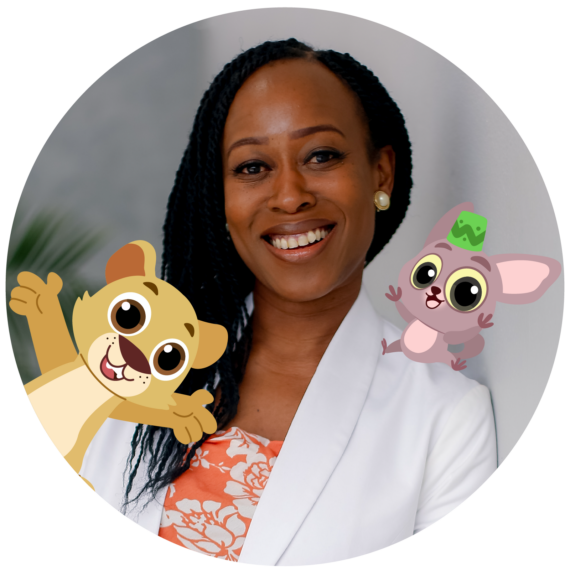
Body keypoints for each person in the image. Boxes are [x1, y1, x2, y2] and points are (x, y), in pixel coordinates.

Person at [22, 39, 496, 563]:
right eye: (252, 167)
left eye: (321, 156)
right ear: (218, 196)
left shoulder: (446, 420)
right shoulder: (131, 359)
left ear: (380, 173)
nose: (290, 196)